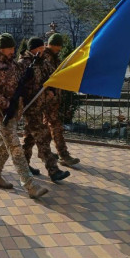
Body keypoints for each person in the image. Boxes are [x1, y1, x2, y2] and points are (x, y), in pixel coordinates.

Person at [0, 33, 48, 198]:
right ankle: (29, 185)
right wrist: (5, 103)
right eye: (11, 48)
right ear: (3, 48)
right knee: (15, 147)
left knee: (2, 145)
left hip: (14, 111)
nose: (13, 51)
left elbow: (21, 75)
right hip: (2, 113)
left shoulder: (12, 64)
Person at [19, 37, 71, 182]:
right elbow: (20, 85)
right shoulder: (24, 63)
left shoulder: (43, 61)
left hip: (41, 106)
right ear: (35, 49)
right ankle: (53, 170)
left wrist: (52, 90)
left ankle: (24, 165)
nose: (44, 50)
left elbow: (52, 76)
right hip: (30, 108)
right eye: (41, 48)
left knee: (29, 139)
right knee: (42, 137)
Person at [42, 34, 80, 167]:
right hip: (46, 99)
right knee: (56, 126)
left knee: (48, 127)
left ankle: (44, 151)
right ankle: (63, 155)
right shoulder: (44, 57)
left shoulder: (55, 57)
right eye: (56, 48)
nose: (58, 50)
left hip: (54, 99)